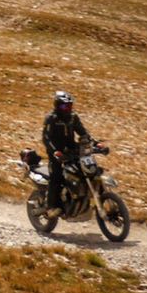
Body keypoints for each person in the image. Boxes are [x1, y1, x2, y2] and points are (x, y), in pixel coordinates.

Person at [42, 90, 93, 220]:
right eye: (64, 106)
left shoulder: (73, 117)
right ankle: (51, 207)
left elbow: (83, 132)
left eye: (69, 106)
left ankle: (78, 199)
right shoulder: (51, 119)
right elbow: (46, 138)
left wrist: (94, 143)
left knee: (83, 172)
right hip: (56, 155)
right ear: (57, 106)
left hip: (72, 151)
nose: (67, 109)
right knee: (56, 178)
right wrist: (55, 151)